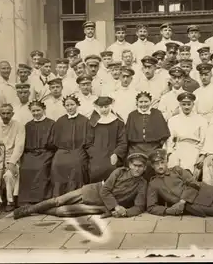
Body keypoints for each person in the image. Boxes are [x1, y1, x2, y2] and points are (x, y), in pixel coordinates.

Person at [13, 153, 148, 220]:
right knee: (58, 200)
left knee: (61, 212)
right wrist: (115, 207)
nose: (137, 169)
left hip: (102, 206)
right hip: (91, 191)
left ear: (144, 168)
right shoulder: (119, 172)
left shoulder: (142, 184)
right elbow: (105, 190)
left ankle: (37, 210)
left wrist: (125, 212)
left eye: (140, 166)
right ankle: (28, 209)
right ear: (129, 165)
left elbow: (139, 206)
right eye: (134, 165)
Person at [0, 104, 26, 219]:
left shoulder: (19, 126)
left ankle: (10, 201)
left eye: (8, 113)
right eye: (3, 113)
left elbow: (19, 146)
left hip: (13, 157)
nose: (5, 116)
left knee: (9, 174)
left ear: (12, 114)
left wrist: (12, 162)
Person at [51, 94, 94, 197]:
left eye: (72, 104)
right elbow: (55, 139)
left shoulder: (84, 120)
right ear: (64, 106)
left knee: (76, 164)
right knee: (56, 164)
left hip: (78, 149)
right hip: (63, 150)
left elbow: (88, 139)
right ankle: (59, 195)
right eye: (67, 105)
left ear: (77, 105)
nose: (70, 107)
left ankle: (75, 195)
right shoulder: (60, 121)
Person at [17, 100, 56, 206]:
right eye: (33, 111)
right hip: (30, 153)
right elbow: (24, 142)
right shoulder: (28, 125)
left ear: (43, 110)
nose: (36, 113)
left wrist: (46, 148)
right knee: (25, 168)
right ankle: (26, 200)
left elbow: (53, 142)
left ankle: (41, 198)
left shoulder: (51, 123)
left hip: (46, 152)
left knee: (41, 167)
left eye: (38, 110)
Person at [125, 91, 171, 180]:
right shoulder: (132, 115)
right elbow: (128, 136)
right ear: (137, 103)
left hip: (153, 148)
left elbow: (163, 136)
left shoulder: (157, 114)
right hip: (136, 148)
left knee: (152, 165)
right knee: (136, 165)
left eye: (146, 101)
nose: (143, 104)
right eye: (141, 102)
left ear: (150, 102)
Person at [166, 92, 208, 175]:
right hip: (177, 147)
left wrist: (202, 155)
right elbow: (170, 139)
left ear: (193, 104)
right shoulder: (173, 120)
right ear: (180, 105)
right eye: (184, 104)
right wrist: (170, 152)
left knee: (187, 171)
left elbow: (204, 139)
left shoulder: (201, 120)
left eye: (189, 104)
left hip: (193, 148)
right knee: (172, 165)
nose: (186, 107)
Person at [87, 96, 128, 183]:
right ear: (97, 107)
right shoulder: (92, 122)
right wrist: (94, 154)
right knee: (96, 172)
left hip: (113, 154)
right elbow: (88, 143)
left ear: (110, 106)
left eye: (106, 107)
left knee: (113, 173)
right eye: (101, 107)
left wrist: (116, 154)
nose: (104, 109)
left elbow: (123, 142)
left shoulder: (118, 121)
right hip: (97, 156)